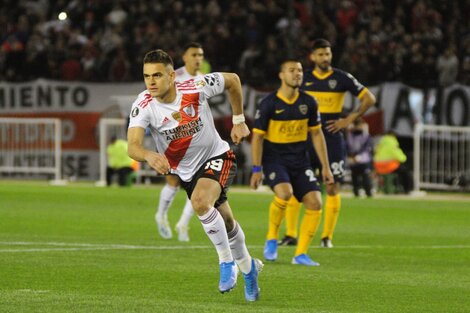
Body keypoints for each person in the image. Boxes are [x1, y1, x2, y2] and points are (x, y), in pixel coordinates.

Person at [127, 49, 262, 301]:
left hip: (217, 156)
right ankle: (248, 267)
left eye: (157, 75)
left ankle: (226, 263)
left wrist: (238, 119)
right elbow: (132, 146)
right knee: (227, 223)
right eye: (147, 76)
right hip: (187, 172)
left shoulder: (196, 86)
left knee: (200, 203)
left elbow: (232, 79)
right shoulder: (143, 104)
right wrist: (148, 154)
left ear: (171, 75)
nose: (151, 82)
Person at [279, 38, 376, 248]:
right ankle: (290, 234)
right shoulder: (302, 78)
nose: (325, 58)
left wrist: (348, 120)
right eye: (321, 54)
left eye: (328, 54)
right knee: (297, 186)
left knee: (332, 186)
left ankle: (326, 237)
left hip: (331, 140)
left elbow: (369, 98)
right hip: (304, 139)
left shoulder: (341, 78)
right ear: (312, 57)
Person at [250, 59, 334, 266]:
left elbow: (317, 135)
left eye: (299, 70)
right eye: (291, 70)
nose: (297, 74)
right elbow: (258, 138)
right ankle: (271, 237)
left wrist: (325, 166)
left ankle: (300, 254)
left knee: (315, 202)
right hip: (275, 159)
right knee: (285, 193)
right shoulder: (269, 103)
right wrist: (256, 168)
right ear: (281, 75)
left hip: (300, 160)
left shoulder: (309, 102)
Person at [155, 42, 205, 242]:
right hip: (173, 140)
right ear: (184, 57)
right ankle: (161, 215)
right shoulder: (174, 77)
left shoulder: (202, 80)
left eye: (200, 55)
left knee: (198, 185)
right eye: (194, 54)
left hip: (195, 140)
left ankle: (183, 223)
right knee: (174, 183)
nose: (198, 58)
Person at [345, 118, 373, 197]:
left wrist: (358, 156)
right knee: (354, 178)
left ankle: (368, 193)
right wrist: (351, 156)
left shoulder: (366, 136)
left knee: (366, 177)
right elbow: (347, 146)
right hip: (353, 160)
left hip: (363, 160)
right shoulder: (350, 135)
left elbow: (366, 148)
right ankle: (356, 193)